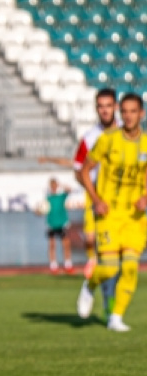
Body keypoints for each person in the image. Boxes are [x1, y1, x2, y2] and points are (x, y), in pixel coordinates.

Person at [76, 93, 147, 332]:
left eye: (133, 111)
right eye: (124, 111)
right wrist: (95, 199)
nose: (128, 116)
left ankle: (116, 316)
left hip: (135, 218)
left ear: (141, 114)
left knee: (129, 268)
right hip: (109, 214)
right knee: (109, 267)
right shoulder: (107, 139)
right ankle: (90, 285)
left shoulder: (146, 143)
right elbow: (84, 171)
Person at [72, 88, 118, 311]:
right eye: (101, 106)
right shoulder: (90, 138)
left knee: (120, 259)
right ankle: (92, 287)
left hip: (124, 202)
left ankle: (109, 303)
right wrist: (93, 194)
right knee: (94, 245)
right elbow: (78, 170)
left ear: (115, 107)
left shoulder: (130, 135)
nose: (105, 110)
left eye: (108, 105)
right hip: (97, 199)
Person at [45, 178, 72, 273]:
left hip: (62, 223)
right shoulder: (47, 198)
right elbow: (41, 210)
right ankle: (53, 266)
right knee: (52, 245)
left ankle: (68, 265)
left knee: (66, 245)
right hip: (51, 224)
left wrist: (61, 184)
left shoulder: (61, 196)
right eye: (52, 185)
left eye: (55, 185)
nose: (54, 187)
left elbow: (69, 190)